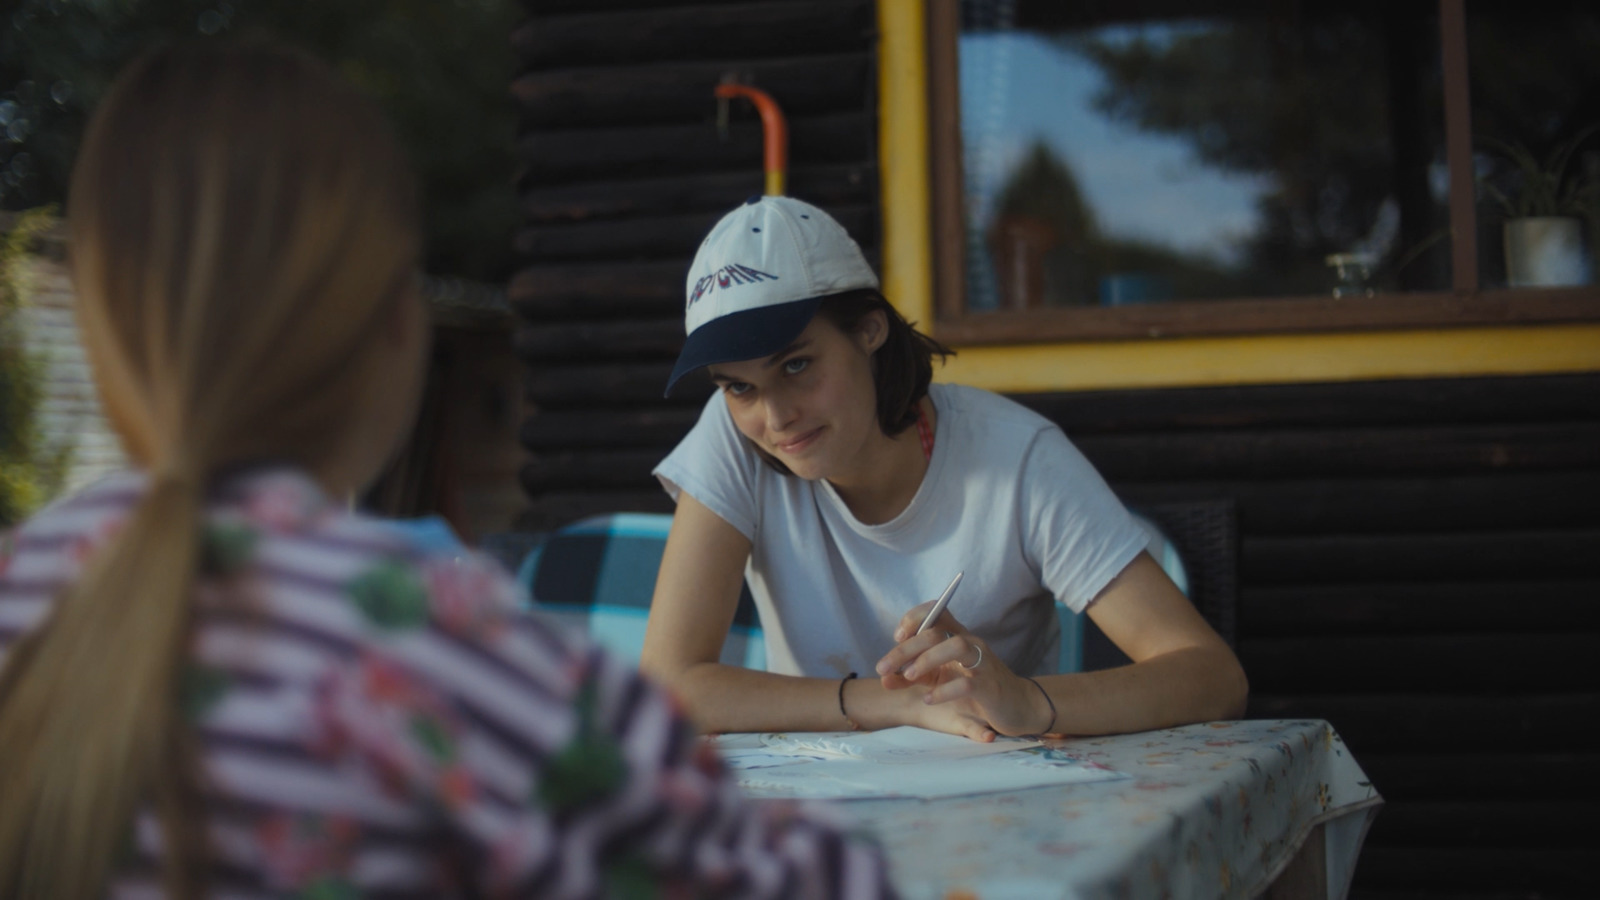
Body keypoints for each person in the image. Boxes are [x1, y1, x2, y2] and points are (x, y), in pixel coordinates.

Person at [0, 42, 894, 900]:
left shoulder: (26, 586)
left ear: (106, 327)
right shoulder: (430, 639)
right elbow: (820, 885)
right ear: (397, 323)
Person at [641, 196, 1247, 741]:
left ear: (870, 330)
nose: (774, 417)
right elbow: (667, 688)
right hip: (818, 814)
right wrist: (889, 704)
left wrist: (1028, 702)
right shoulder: (731, 436)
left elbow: (1213, 676)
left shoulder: (1017, 455)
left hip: (996, 808)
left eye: (796, 366)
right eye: (740, 387)